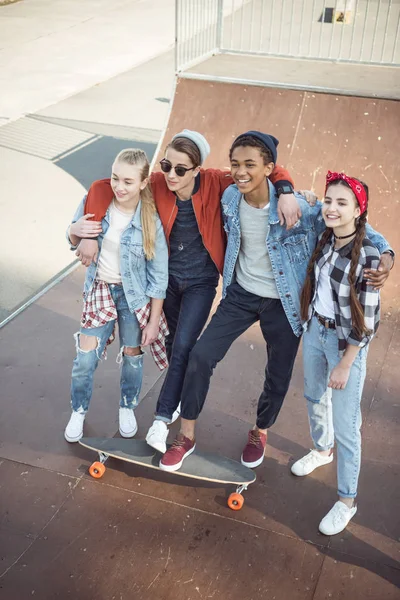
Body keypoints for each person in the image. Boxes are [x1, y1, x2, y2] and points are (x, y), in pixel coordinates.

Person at [158, 131, 394, 473]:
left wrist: (386, 254)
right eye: (236, 163)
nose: (241, 171)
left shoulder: (300, 206)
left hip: (284, 303)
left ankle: (260, 431)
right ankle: (186, 436)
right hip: (240, 294)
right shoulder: (228, 199)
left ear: (269, 167)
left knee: (277, 373)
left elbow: (356, 224)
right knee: (201, 355)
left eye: (250, 165)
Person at [74, 130, 299, 453]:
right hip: (165, 282)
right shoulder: (157, 183)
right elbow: (102, 187)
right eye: (167, 165)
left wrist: (287, 189)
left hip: (200, 283)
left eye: (181, 169)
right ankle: (176, 397)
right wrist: (87, 231)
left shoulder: (216, 182)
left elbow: (264, 168)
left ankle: (161, 419)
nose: (171, 175)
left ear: (197, 169)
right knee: (172, 343)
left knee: (184, 349)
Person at [291, 172, 384, 535]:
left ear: (359, 211)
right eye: (329, 200)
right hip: (315, 330)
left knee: (348, 427)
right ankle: (321, 448)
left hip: (346, 345)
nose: (332, 208)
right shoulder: (325, 236)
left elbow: (368, 321)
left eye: (342, 203)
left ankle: (347, 501)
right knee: (314, 396)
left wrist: (347, 363)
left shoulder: (369, 256)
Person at [64, 149, 169, 443]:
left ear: (143, 183)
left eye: (127, 181)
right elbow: (70, 235)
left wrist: (153, 321)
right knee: (85, 358)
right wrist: (77, 232)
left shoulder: (150, 221)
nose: (119, 187)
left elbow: (159, 277)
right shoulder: (98, 202)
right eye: (114, 178)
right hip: (99, 289)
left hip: (133, 298)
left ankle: (127, 406)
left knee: (133, 356)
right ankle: (79, 410)